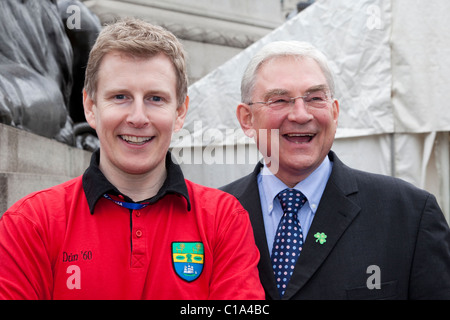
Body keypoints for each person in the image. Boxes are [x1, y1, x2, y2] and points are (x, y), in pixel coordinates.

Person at [0, 18, 264, 300]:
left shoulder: (224, 220)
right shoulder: (30, 224)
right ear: (90, 107)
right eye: (120, 96)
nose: (138, 118)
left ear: (180, 112)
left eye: (155, 99)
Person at [221, 40, 450, 299]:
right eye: (280, 100)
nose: (300, 114)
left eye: (315, 98)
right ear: (246, 119)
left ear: (335, 112)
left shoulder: (409, 213)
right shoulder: (212, 216)